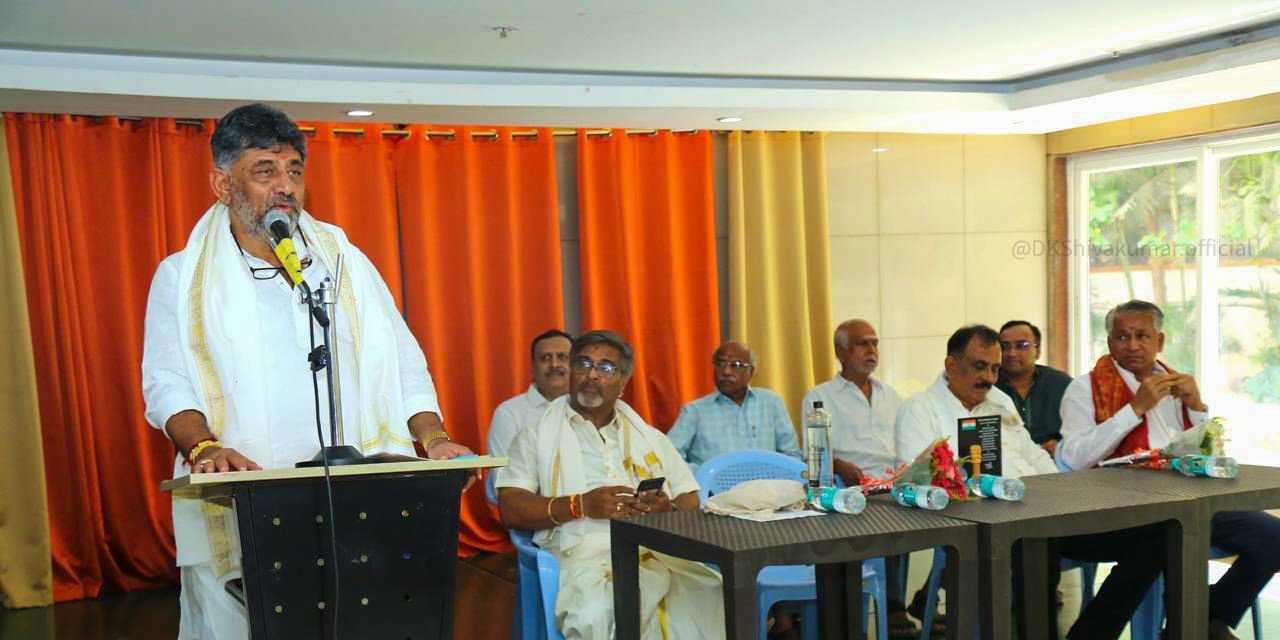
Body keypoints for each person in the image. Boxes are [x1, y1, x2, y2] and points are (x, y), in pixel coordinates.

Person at [141, 103, 474, 640]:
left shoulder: (341, 262)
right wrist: (204, 448)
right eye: (265, 171)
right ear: (222, 184)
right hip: (248, 498)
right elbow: (165, 380)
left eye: (294, 170)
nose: (286, 187)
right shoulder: (182, 276)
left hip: (350, 502)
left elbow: (401, 355)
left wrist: (432, 438)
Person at [897, 324, 1167, 640]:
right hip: (985, 527)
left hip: (1042, 511)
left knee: (1157, 534)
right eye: (979, 367)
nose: (988, 378)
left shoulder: (998, 400)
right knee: (1036, 545)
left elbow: (1035, 456)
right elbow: (915, 483)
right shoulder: (920, 410)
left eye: (995, 368)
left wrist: (1057, 493)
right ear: (951, 365)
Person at [1058, 299, 1280, 640]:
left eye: (1142, 336)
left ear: (1159, 342)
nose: (1132, 345)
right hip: (1118, 504)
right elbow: (1073, 459)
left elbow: (1203, 455)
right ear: (1109, 342)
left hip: (1187, 497)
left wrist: (1198, 409)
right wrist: (1134, 409)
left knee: (1272, 535)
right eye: (1122, 336)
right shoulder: (1084, 388)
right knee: (1163, 536)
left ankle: (1203, 621)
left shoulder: (1175, 385)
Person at [496, 330, 724, 640]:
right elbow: (510, 507)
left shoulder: (650, 437)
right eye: (583, 363)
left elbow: (689, 497)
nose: (591, 374)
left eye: (605, 368)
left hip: (653, 550)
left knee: (711, 595)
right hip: (580, 554)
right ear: (572, 372)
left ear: (623, 383)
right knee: (598, 613)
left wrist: (665, 509)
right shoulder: (535, 436)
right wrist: (579, 505)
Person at [802, 319, 917, 636]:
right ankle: (893, 609)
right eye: (862, 343)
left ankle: (911, 600)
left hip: (894, 480)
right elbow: (812, 452)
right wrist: (839, 464)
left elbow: (904, 442)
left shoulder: (889, 394)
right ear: (840, 351)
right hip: (852, 485)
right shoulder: (820, 396)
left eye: (875, 343)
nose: (871, 350)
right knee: (889, 513)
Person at [667, 340, 802, 471]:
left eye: (736, 365)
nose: (726, 371)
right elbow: (669, 457)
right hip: (714, 492)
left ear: (751, 371)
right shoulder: (694, 411)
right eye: (720, 363)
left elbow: (792, 455)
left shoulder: (771, 403)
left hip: (767, 490)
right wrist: (706, 473)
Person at [487, 329, 573, 478]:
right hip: (533, 500)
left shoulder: (590, 409)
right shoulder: (509, 413)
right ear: (532, 368)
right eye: (545, 358)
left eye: (562, 357)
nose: (554, 364)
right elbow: (505, 478)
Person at [995, 320, 1073, 458]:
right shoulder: (988, 387)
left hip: (1056, 464)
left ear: (1037, 351)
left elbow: (1082, 431)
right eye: (1005, 346)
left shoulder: (1062, 384)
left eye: (1022, 345)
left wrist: (1062, 445)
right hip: (1006, 466)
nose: (1012, 353)